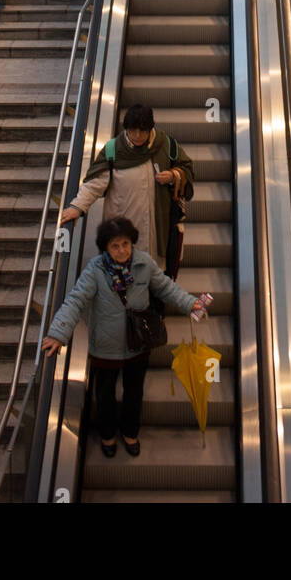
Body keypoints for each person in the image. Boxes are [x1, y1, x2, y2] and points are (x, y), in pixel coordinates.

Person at [41, 216, 211, 459]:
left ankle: (131, 432)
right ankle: (107, 434)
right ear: (105, 248)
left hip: (138, 342)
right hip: (105, 346)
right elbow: (76, 300)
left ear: (132, 243)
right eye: (114, 246)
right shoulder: (95, 270)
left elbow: (165, 287)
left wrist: (190, 303)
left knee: (134, 392)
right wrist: (58, 333)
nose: (121, 251)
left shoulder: (144, 263)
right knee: (105, 394)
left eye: (125, 244)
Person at [60, 104, 194, 270]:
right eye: (132, 131)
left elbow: (187, 169)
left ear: (151, 128)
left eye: (142, 131)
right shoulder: (113, 150)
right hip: (122, 227)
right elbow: (94, 184)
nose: (137, 136)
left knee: (153, 274)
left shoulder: (166, 146)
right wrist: (77, 207)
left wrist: (174, 175)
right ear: (126, 129)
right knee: (122, 273)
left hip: (157, 228)